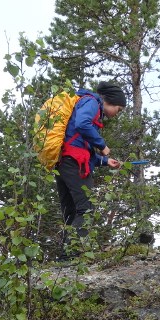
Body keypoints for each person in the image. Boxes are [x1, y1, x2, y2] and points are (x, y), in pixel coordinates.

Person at [55, 81, 126, 260]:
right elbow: (82, 124)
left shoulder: (86, 103)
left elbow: (79, 145)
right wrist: (102, 145)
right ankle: (71, 255)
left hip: (64, 162)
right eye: (118, 109)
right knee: (86, 209)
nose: (117, 113)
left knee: (71, 210)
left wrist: (105, 161)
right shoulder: (92, 102)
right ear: (110, 101)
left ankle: (65, 257)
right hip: (74, 163)